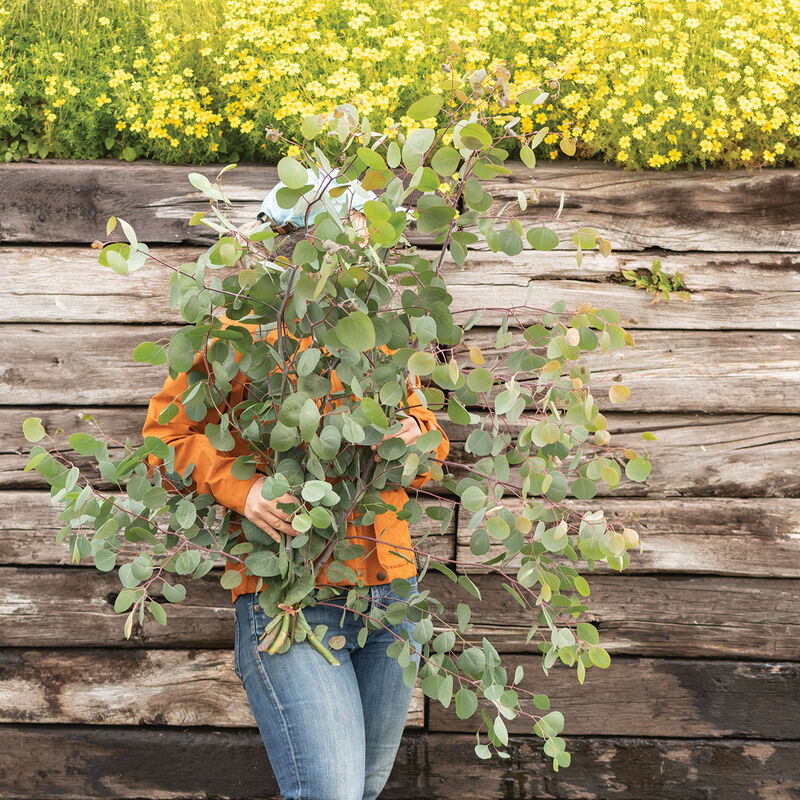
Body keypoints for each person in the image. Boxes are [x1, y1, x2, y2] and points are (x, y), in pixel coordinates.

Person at [142, 204, 450, 800]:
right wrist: (244, 487)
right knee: (330, 792)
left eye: (370, 236)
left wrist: (415, 438)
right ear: (307, 237)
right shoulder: (238, 333)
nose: (367, 249)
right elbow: (161, 441)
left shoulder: (378, 337)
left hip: (392, 598)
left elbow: (431, 447)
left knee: (361, 788)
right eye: (354, 233)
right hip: (290, 599)